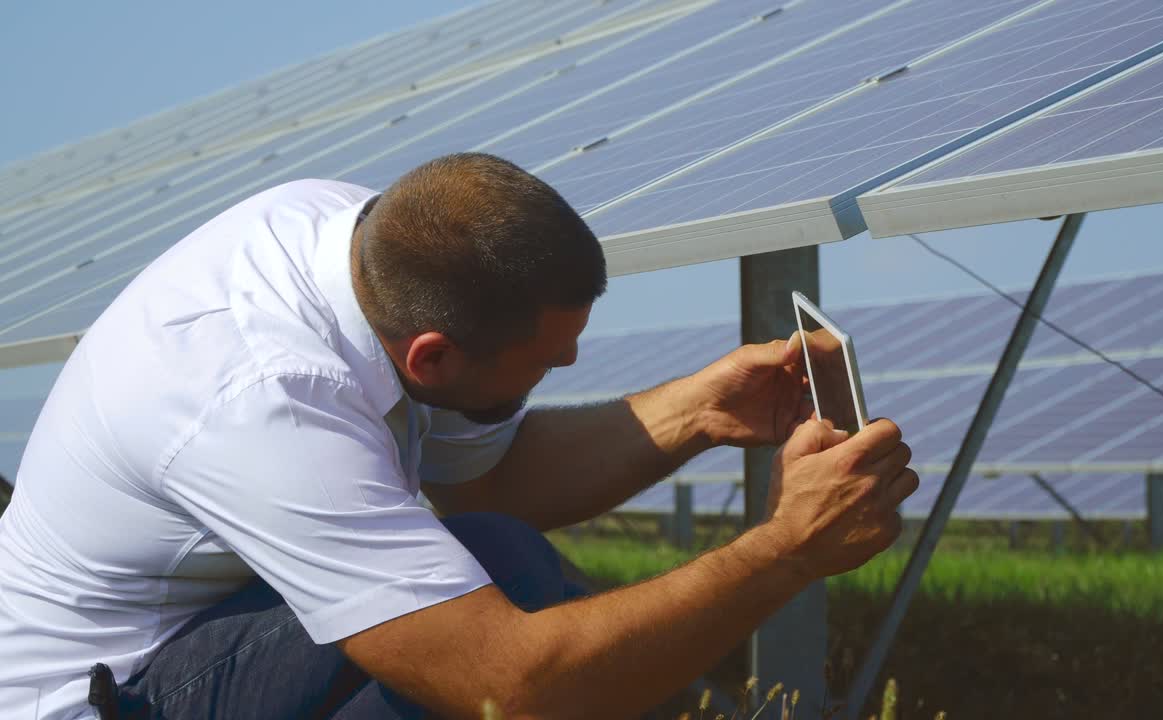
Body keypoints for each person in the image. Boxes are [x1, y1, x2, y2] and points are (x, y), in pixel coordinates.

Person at [0, 153, 917, 719]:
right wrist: (784, 552)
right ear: (432, 359)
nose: (561, 372)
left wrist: (697, 413)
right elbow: (513, 692)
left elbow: (492, 482)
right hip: (102, 696)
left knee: (497, 554)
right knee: (497, 600)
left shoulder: (363, 244)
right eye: (546, 362)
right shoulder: (261, 403)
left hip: (204, 634)